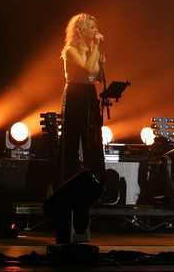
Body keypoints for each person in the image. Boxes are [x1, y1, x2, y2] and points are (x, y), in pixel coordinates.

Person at [57, 13, 107, 243]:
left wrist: (101, 61)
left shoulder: (91, 50)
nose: (96, 30)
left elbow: (98, 78)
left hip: (89, 95)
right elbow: (86, 70)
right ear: (82, 29)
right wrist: (95, 48)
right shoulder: (70, 50)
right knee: (71, 144)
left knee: (91, 143)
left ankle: (89, 192)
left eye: (96, 27)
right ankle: (66, 196)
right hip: (75, 95)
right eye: (92, 27)